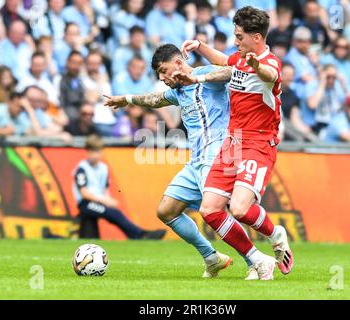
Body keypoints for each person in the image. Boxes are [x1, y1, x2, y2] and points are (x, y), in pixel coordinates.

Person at [104, 43, 254, 278]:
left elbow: (231, 72)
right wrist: (127, 99)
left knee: (214, 211)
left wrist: (197, 80)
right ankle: (211, 257)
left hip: (218, 154)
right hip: (196, 160)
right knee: (167, 210)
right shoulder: (178, 92)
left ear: (178, 63)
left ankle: (254, 260)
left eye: (164, 71)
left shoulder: (204, 74)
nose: (162, 78)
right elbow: (154, 100)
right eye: (159, 74)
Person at [179, 6, 294, 280]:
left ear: (257, 37)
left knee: (240, 209)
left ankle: (275, 233)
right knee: (209, 210)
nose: (235, 41)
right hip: (232, 143)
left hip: (257, 143)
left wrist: (257, 66)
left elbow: (270, 75)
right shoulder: (240, 59)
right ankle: (258, 260)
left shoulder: (270, 62)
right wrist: (200, 46)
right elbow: (224, 60)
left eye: (239, 37)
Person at [73, 134, 166, 239]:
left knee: (112, 212)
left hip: (98, 202)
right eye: (93, 151)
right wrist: (105, 201)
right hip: (85, 203)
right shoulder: (82, 168)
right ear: (88, 152)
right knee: (114, 214)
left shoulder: (103, 168)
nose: (96, 155)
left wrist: (108, 200)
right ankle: (140, 235)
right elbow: (84, 193)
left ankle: (139, 233)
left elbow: (105, 189)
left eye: (98, 151)